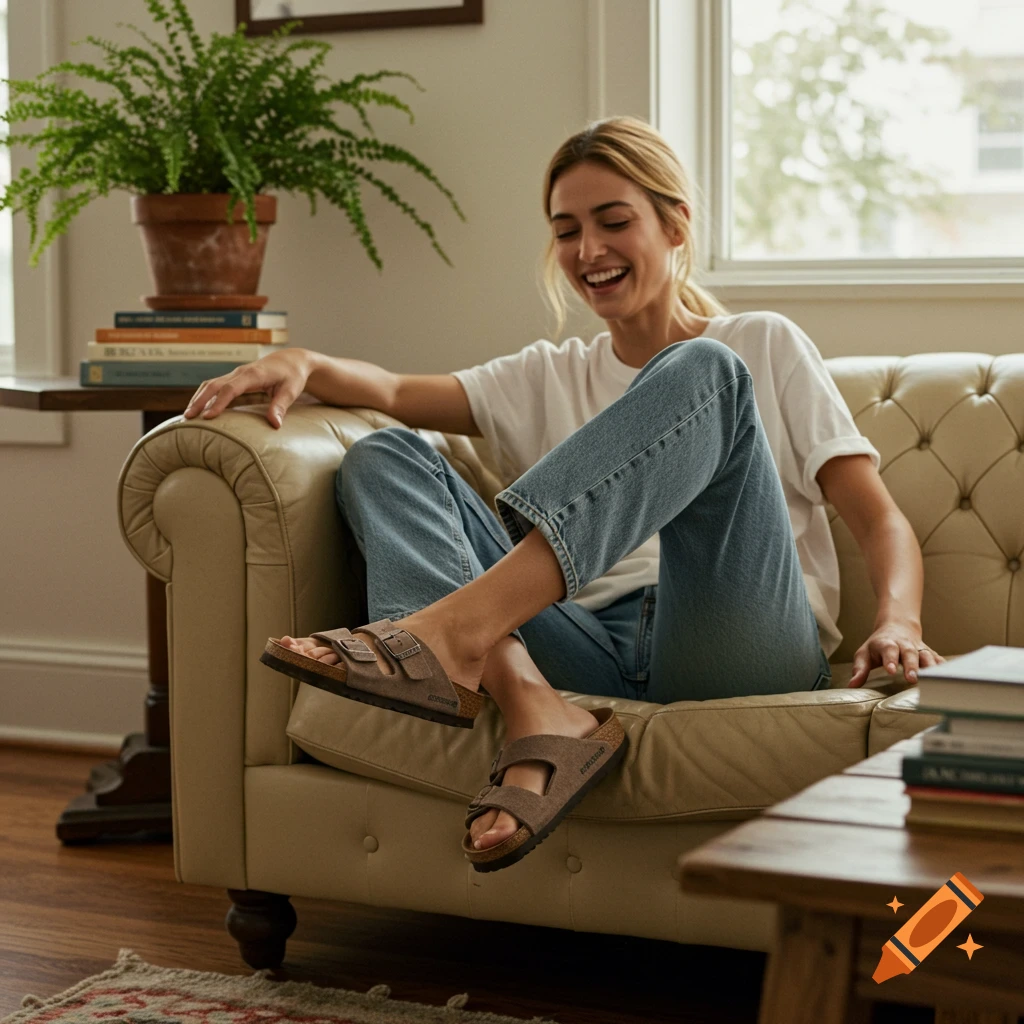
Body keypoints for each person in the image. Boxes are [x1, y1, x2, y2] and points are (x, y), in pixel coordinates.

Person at [182, 115, 944, 859]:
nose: (589, 250)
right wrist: (303, 361)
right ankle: (531, 704)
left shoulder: (760, 344)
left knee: (705, 370)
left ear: (675, 225)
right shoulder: (548, 374)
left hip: (735, 639)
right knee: (383, 455)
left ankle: (449, 632)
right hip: (584, 646)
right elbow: (392, 391)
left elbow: (878, 520)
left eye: (614, 221)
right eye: (566, 230)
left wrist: (899, 622)